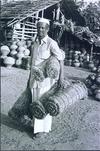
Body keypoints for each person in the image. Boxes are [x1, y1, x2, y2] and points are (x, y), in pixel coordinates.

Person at [9, 18, 65, 138]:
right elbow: (33, 63)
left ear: (47, 29)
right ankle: (36, 127)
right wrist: (29, 79)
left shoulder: (51, 43)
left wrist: (61, 77)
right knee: (34, 102)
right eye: (38, 27)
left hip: (45, 80)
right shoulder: (35, 43)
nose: (40, 29)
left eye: (42, 27)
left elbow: (60, 59)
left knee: (43, 103)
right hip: (34, 78)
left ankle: (43, 130)